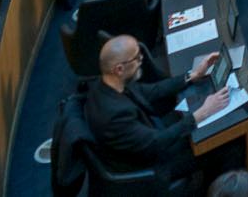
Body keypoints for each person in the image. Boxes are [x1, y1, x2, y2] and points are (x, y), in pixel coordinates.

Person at [82, 37, 227, 190]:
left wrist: (192, 75)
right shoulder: (114, 116)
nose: (141, 60)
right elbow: (156, 143)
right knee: (221, 144)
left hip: (146, 133)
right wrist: (201, 113)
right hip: (151, 165)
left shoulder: (107, 83)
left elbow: (153, 91)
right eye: (137, 58)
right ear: (119, 69)